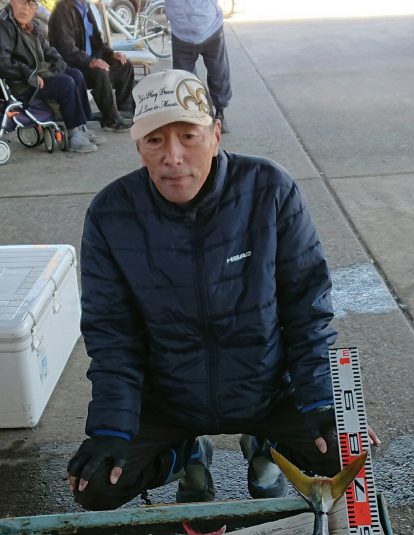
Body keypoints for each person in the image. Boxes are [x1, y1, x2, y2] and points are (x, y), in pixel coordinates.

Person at [67, 68, 380, 512]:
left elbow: (308, 310)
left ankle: (267, 445)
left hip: (266, 390)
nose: (173, 156)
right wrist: (111, 428)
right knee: (94, 485)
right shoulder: (110, 213)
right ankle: (184, 455)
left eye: (188, 136)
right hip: (169, 399)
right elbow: (112, 334)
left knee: (350, 459)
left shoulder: (271, 189)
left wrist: (322, 402)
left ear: (215, 135)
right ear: (139, 148)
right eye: (155, 140)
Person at [0, 0, 97, 153]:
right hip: (21, 83)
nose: (26, 8)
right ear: (12, 1)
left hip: (37, 74)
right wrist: (30, 74)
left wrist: (58, 64)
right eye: (22, 2)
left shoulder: (31, 25)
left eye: (31, 4)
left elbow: (49, 50)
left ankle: (82, 126)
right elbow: (3, 63)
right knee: (66, 84)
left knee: (76, 75)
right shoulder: (4, 25)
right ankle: (73, 134)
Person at [48, 0, 133, 132]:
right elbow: (66, 48)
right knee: (100, 71)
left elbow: (97, 42)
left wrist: (111, 53)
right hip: (72, 64)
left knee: (125, 64)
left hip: (87, 60)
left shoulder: (85, 7)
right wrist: (90, 61)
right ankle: (111, 120)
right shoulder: (62, 9)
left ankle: (125, 111)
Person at [165, 0, 231, 132]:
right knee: (184, 79)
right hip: (184, 30)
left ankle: (218, 112)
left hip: (207, 28)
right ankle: (199, 114)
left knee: (216, 72)